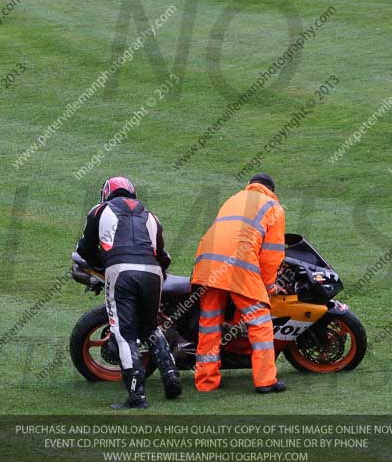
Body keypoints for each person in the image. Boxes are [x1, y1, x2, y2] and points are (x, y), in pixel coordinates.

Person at [76, 176, 182, 409]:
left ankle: (137, 396)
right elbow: (164, 257)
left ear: (106, 194)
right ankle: (172, 377)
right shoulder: (151, 215)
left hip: (121, 270)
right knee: (151, 327)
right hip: (152, 272)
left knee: (124, 333)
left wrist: (103, 264)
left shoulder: (100, 209)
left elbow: (84, 249)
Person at [191, 173, 287, 394]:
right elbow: (271, 256)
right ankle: (266, 381)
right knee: (260, 322)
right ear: (271, 190)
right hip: (239, 265)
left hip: (207, 264)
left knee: (209, 324)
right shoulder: (272, 207)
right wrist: (269, 286)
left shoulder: (234, 199)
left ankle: (206, 380)